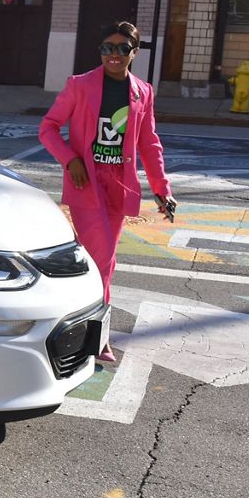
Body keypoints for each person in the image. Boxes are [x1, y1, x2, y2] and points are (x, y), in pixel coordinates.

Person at [39, 21, 175, 362]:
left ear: (134, 52)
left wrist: (162, 189)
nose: (113, 55)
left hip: (119, 184)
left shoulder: (143, 92)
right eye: (106, 48)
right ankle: (97, 339)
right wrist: (70, 160)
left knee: (104, 262)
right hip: (87, 183)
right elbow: (48, 128)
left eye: (121, 49)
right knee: (101, 259)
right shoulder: (80, 85)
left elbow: (149, 142)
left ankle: (82, 331)